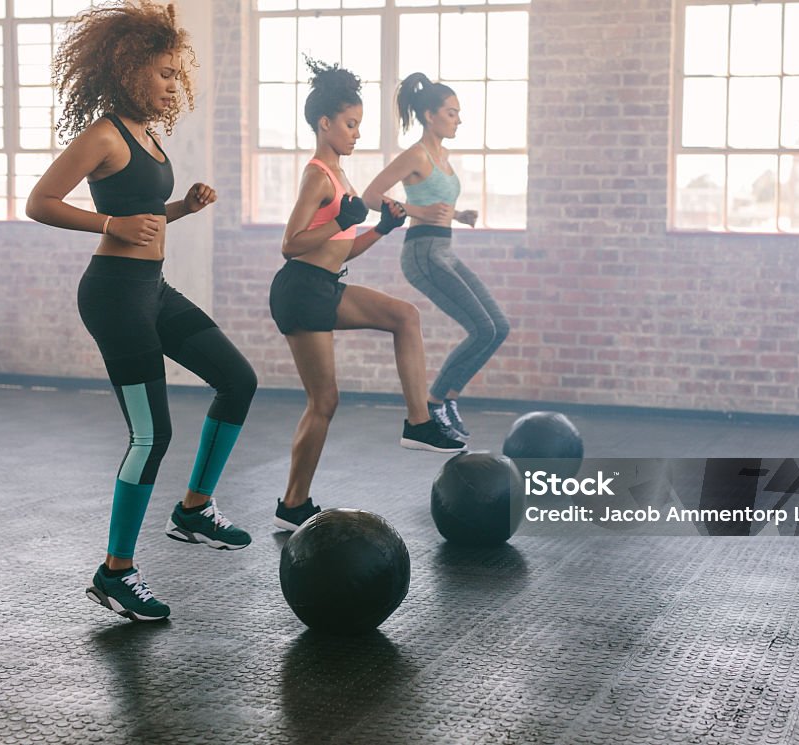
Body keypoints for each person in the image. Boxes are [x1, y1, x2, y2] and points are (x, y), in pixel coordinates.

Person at [26, 1, 257, 622]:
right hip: (113, 296)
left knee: (238, 380)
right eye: (162, 73)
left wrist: (183, 206)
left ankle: (193, 510)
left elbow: (144, 218)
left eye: (175, 75)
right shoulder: (103, 134)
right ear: (128, 71)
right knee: (152, 435)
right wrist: (107, 222)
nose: (171, 84)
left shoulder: (148, 135)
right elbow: (39, 202)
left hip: (149, 289)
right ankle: (115, 573)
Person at [269, 60, 465, 532]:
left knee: (404, 316)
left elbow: (342, 248)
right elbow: (290, 244)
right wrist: (342, 218)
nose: (357, 134)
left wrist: (382, 226)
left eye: (359, 124)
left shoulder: (341, 176)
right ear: (325, 124)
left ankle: (418, 422)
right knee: (324, 402)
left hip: (323, 285)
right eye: (351, 124)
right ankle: (293, 503)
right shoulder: (318, 174)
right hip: (301, 290)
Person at [363, 73, 510, 441]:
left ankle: (447, 397)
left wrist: (459, 215)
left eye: (458, 113)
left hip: (444, 249)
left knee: (498, 327)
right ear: (430, 115)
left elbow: (436, 203)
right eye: (451, 112)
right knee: (482, 329)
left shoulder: (442, 156)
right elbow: (370, 196)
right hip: (422, 253)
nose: (458, 119)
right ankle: (434, 402)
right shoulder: (416, 154)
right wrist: (418, 212)